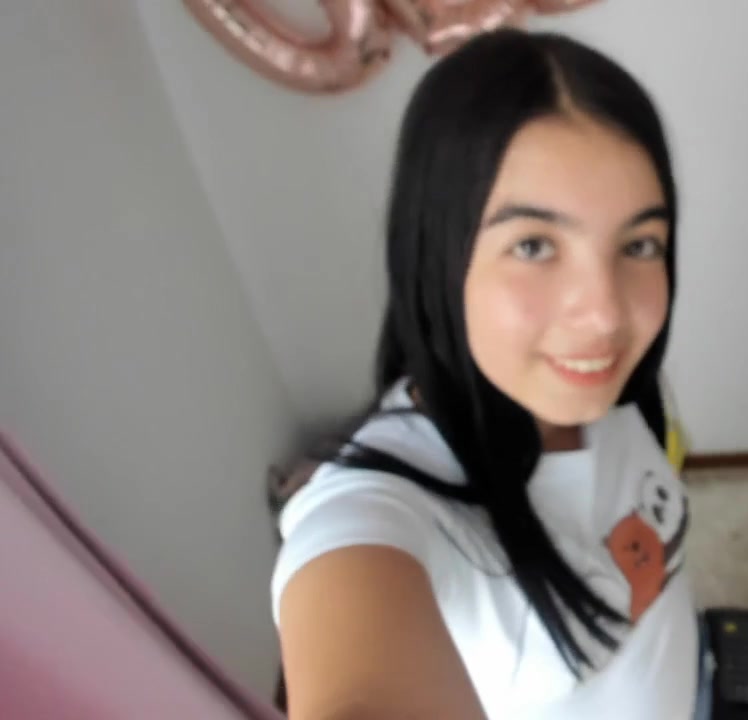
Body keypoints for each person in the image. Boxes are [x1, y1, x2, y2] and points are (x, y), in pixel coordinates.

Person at [270, 28, 710, 720]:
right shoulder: (383, 511)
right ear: (438, 257)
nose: (605, 315)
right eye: (534, 245)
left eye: (639, 244)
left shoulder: (609, 401)